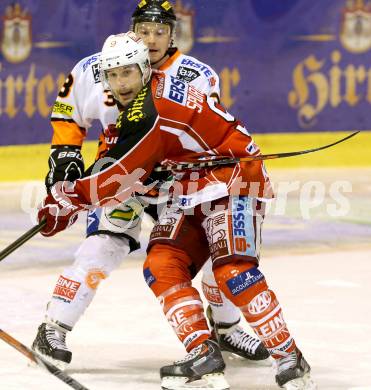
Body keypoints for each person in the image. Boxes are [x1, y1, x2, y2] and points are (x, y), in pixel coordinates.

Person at [38, 32, 317, 390]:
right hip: (191, 189)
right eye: (113, 75)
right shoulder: (150, 95)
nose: (121, 83)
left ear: (143, 68)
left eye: (128, 72)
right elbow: (137, 165)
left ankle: (290, 357)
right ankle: (203, 352)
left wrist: (66, 201)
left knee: (232, 269)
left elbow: (121, 176)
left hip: (234, 180)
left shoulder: (149, 111)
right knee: (162, 262)